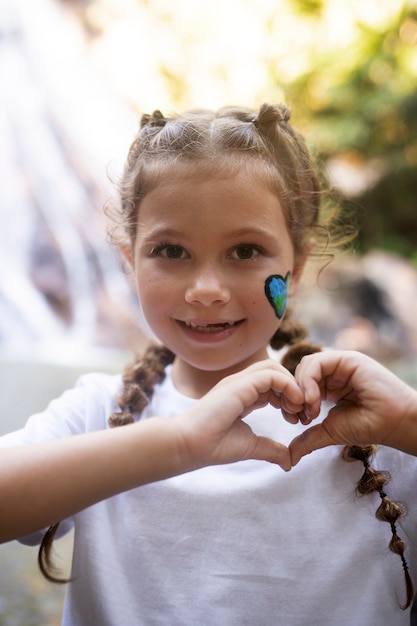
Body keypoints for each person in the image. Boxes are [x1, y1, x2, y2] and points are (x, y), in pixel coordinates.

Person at [1, 103, 417, 625]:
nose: (205, 291)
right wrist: (179, 442)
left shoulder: (374, 431)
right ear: (130, 259)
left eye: (245, 251)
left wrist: (408, 423)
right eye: (170, 251)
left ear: (298, 263)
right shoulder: (98, 415)